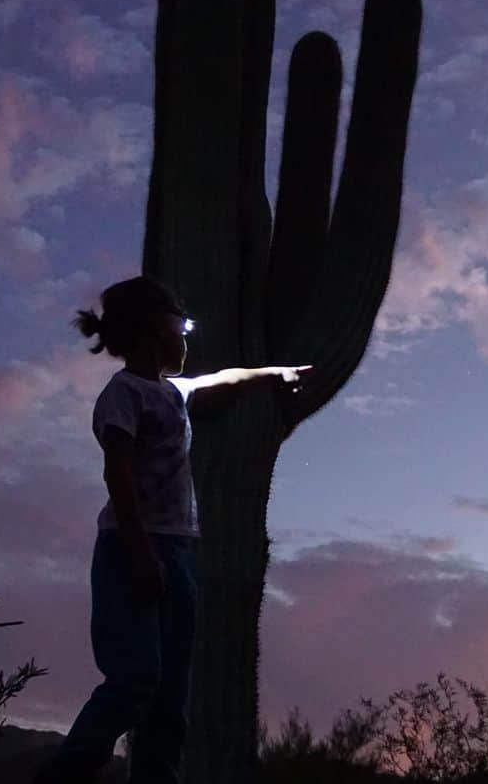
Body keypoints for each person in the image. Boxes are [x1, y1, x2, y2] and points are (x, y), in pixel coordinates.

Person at [33, 275, 311, 784]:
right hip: (130, 547)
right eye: (181, 324)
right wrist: (141, 555)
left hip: (179, 551)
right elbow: (117, 471)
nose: (187, 337)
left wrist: (273, 372)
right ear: (153, 328)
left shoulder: (174, 391)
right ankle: (65, 774)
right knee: (136, 677)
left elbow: (222, 378)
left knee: (170, 696)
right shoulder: (123, 393)